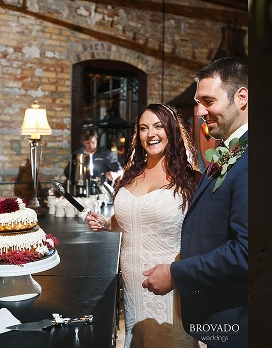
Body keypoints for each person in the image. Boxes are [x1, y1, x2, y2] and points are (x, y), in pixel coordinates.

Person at [141, 57, 249, 347]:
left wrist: (176, 274)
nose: (200, 112)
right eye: (199, 102)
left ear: (242, 98)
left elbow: (246, 252)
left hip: (236, 321)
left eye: (208, 101)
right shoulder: (230, 150)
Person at [86, 103, 201, 348]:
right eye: (143, 128)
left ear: (171, 130)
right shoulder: (131, 174)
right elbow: (132, 219)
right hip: (132, 285)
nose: (151, 134)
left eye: (158, 126)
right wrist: (106, 223)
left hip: (170, 284)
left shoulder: (191, 180)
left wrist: (177, 273)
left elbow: (203, 238)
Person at [64, 129, 123, 195]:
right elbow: (67, 172)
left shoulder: (105, 154)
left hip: (100, 190)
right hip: (80, 190)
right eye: (88, 143)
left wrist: (115, 174)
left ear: (96, 141)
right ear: (83, 142)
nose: (91, 145)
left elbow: (120, 170)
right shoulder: (77, 154)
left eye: (93, 142)